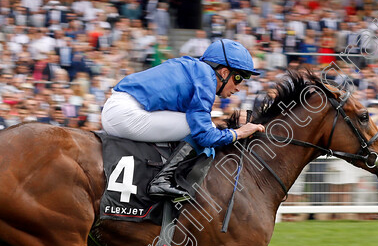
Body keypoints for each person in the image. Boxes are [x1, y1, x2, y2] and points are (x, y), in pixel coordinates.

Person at [101, 39, 264, 199]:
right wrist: (239, 133)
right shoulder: (206, 79)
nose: (238, 87)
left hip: (118, 108)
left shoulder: (194, 68)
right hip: (125, 113)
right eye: (239, 78)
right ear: (224, 73)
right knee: (195, 128)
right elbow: (205, 136)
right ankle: (162, 180)